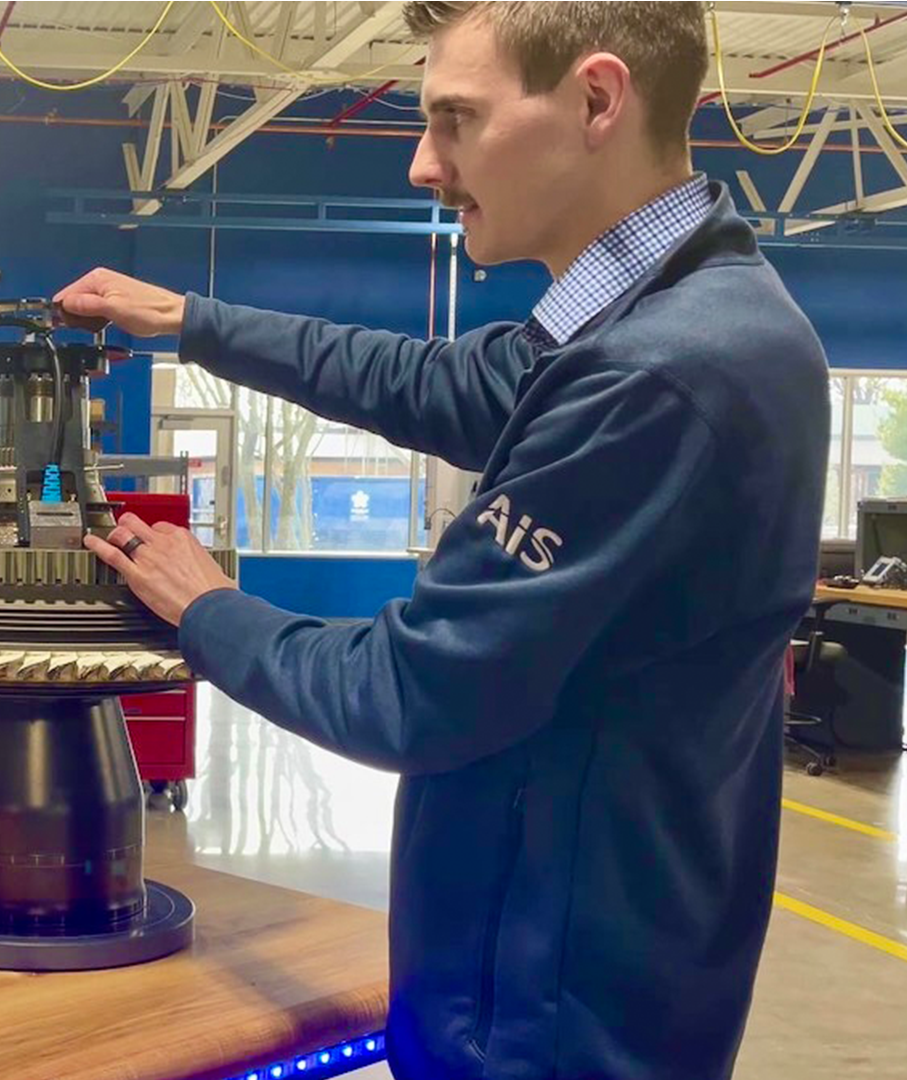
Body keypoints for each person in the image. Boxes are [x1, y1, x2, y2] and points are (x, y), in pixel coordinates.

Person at [56, 4, 828, 1079]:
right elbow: (433, 380)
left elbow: (414, 692)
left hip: (551, 1019)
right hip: (583, 979)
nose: (426, 165)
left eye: (456, 119)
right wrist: (193, 322)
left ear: (598, 100)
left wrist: (209, 610)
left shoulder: (663, 376)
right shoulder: (669, 313)